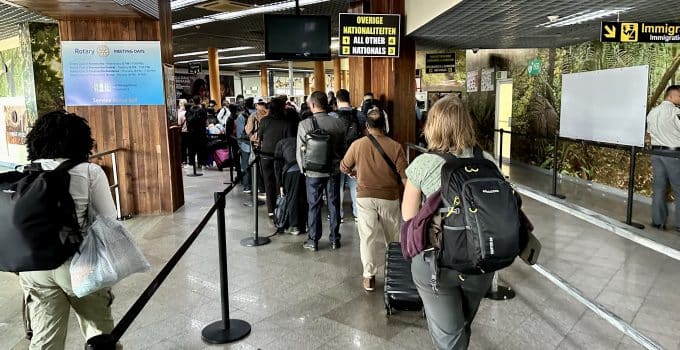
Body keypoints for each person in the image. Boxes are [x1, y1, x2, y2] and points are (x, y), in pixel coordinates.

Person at [402, 96, 496, 349]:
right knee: (461, 324)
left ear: (432, 125)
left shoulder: (422, 164)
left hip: (437, 265)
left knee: (449, 336)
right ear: (467, 125)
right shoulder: (487, 161)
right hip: (482, 261)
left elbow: (408, 217)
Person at [19, 111, 119, 350]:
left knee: (45, 338)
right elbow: (109, 219)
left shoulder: (25, 170)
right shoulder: (89, 171)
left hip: (34, 265)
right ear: (81, 140)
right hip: (78, 263)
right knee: (99, 332)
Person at [340, 107, 406, 291]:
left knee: (367, 237)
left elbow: (343, 166)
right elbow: (404, 176)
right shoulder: (395, 146)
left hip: (365, 197)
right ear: (384, 126)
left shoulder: (358, 145)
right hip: (389, 197)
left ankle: (369, 277)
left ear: (367, 126)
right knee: (393, 237)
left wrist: (354, 173)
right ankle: (394, 273)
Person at [297, 91, 347, 251]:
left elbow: (300, 151)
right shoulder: (338, 123)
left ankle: (313, 240)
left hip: (313, 172)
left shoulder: (304, 124)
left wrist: (303, 169)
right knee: (333, 203)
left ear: (312, 105)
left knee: (314, 205)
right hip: (333, 170)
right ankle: (334, 239)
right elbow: (343, 147)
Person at [647, 85, 680, 231]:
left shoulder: (652, 113)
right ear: (671, 96)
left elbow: (649, 133)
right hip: (673, 154)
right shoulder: (676, 112)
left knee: (659, 188)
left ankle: (658, 221)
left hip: (656, 153)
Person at [259, 98, 297, 217]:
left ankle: (271, 209)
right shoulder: (287, 122)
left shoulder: (264, 121)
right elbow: (290, 141)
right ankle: (283, 206)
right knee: (281, 182)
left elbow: (260, 137)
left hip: (265, 155)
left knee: (268, 182)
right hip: (281, 157)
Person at [335, 89, 366, 222]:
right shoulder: (360, 115)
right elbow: (365, 136)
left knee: (338, 186)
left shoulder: (333, 116)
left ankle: (339, 215)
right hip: (355, 156)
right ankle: (357, 213)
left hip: (337, 157)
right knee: (355, 185)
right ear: (350, 99)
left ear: (337, 100)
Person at [236, 98, 255, 193]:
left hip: (246, 144)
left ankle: (247, 186)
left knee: (245, 165)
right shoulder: (259, 114)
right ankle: (259, 186)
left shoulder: (241, 116)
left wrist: (239, 145)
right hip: (258, 144)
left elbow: (239, 133)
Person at [186, 95, 208, 168]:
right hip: (201, 132)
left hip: (191, 133)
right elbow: (205, 120)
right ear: (200, 100)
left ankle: (192, 163)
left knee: (192, 148)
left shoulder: (189, 111)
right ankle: (201, 163)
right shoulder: (202, 110)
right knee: (201, 148)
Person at [176, 99, 189, 165]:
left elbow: (179, 123)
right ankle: (190, 161)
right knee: (189, 146)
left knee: (183, 147)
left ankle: (184, 160)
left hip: (183, 132)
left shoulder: (180, 113)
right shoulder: (189, 112)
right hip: (189, 131)